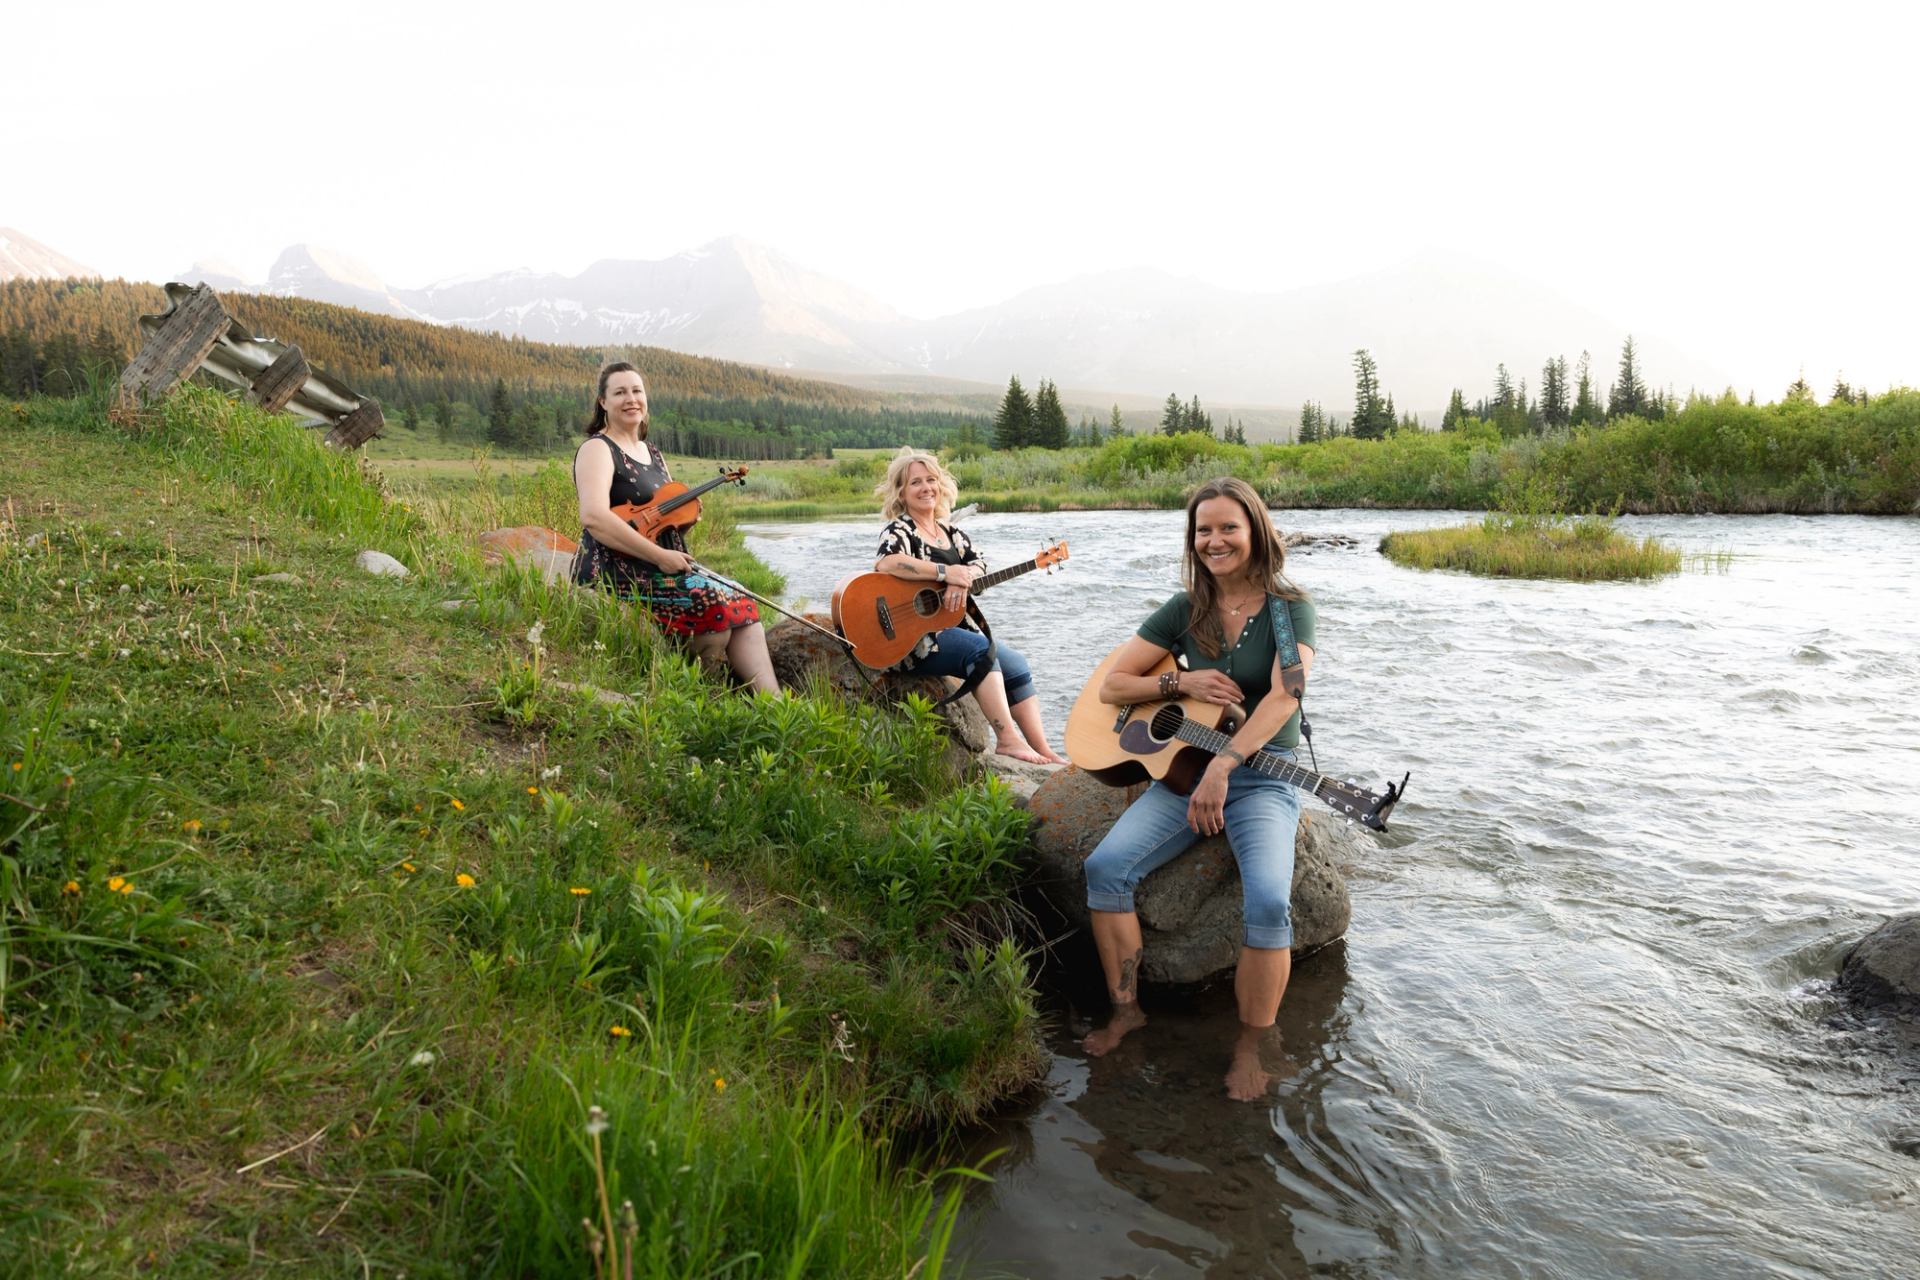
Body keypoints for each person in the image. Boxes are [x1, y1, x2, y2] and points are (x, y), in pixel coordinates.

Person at [1080, 476, 1316, 1100]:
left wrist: (1225, 767)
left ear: (1255, 532)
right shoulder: (1184, 610)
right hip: (1184, 771)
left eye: (1227, 528)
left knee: (1267, 903)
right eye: (1203, 530)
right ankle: (1127, 1010)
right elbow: (1112, 687)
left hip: (1262, 780)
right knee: (1105, 868)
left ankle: (1251, 1046)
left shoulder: (1290, 611)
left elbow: (1286, 695)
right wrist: (1180, 685)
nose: (1214, 540)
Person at [571, 361, 780, 694]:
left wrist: (681, 523)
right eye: (620, 392)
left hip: (660, 563)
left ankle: (773, 702)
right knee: (710, 600)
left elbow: (657, 521)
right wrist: (659, 556)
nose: (631, 399)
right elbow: (594, 517)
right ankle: (708, 696)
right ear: (603, 402)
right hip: (617, 570)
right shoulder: (598, 448)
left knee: (740, 594)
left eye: (637, 391)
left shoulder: (651, 452)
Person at [870, 448, 1068, 764]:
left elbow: (979, 564)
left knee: (1015, 663)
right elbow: (887, 563)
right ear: (902, 493)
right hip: (912, 640)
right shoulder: (901, 529)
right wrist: (945, 572)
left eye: (931, 479)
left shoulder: (951, 533)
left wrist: (965, 576)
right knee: (981, 651)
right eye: (915, 483)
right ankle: (1007, 740)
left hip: (950, 631)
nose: (926, 488)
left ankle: (1043, 748)